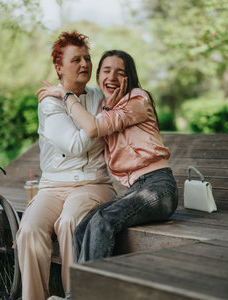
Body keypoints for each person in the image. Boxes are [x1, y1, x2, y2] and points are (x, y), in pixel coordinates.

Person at [38, 49, 178, 297]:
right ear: (98, 76)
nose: (112, 76)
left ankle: (83, 297)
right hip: (138, 190)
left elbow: (92, 128)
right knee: (84, 227)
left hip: (158, 187)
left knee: (103, 221)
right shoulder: (110, 108)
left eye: (120, 72)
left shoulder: (137, 99)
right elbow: (97, 123)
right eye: (106, 71)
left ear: (129, 78)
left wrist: (66, 94)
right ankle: (79, 293)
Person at [16, 31, 116, 300]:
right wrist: (93, 122)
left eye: (87, 58)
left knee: (71, 220)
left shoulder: (101, 97)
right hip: (53, 186)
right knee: (29, 229)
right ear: (59, 68)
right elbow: (74, 144)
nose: (84, 64)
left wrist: (69, 98)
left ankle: (75, 296)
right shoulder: (49, 103)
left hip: (93, 184)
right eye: (76, 60)